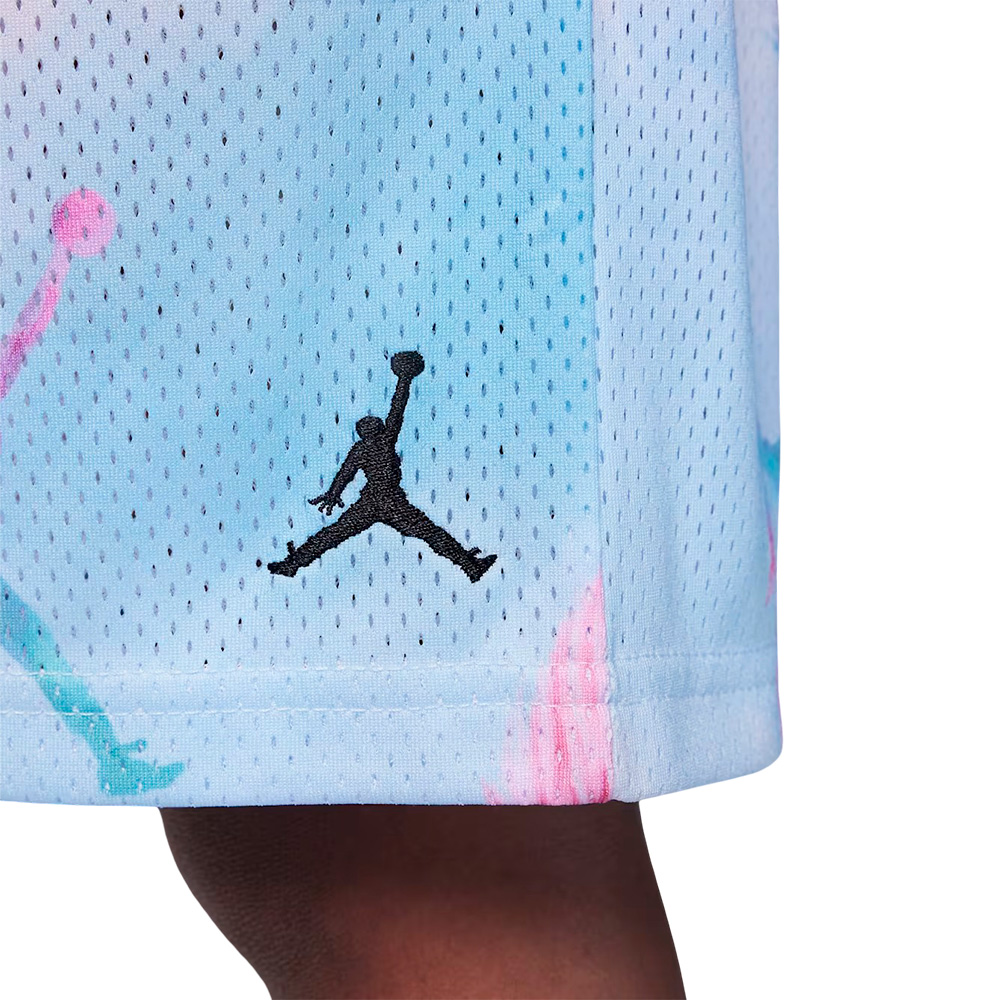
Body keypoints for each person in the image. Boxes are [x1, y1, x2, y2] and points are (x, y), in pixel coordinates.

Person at [1, 2, 779, 997]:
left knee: (384, 821)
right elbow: (353, 473)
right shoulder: (370, 438)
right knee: (376, 806)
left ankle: (392, 571)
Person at [268, 351, 498, 583]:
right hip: (390, 501)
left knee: (333, 534)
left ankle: (292, 564)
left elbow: (344, 475)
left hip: (372, 501)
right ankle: (470, 566)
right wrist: (404, 379)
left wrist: (333, 494)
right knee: (431, 533)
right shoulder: (384, 441)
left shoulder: (360, 449)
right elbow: (397, 409)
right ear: (376, 429)